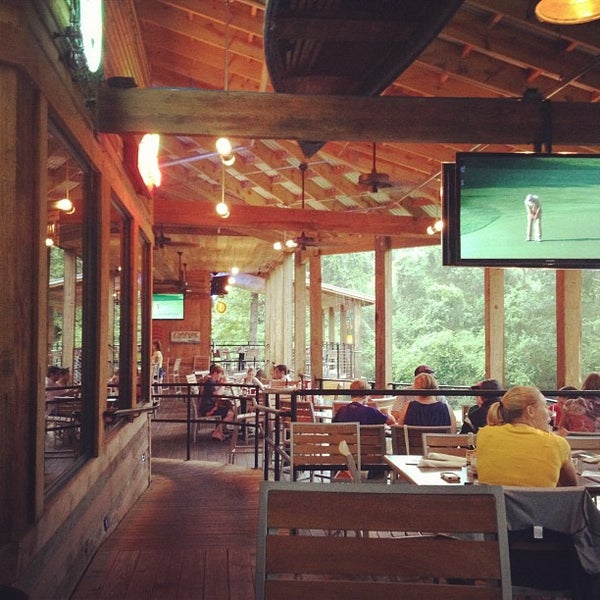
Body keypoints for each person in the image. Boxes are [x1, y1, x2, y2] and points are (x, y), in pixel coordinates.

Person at [477, 386, 577, 487]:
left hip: (497, 503)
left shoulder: (484, 435)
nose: (550, 413)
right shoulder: (557, 443)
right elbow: (572, 487)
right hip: (541, 503)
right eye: (545, 406)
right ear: (530, 411)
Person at [199, 364, 234, 441]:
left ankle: (219, 431)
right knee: (230, 414)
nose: (220, 376)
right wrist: (223, 385)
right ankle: (217, 433)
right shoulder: (210, 382)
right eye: (220, 374)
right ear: (215, 373)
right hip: (207, 409)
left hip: (208, 406)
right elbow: (217, 393)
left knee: (227, 408)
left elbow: (216, 393)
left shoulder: (211, 381)